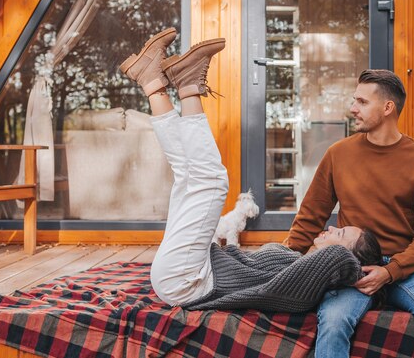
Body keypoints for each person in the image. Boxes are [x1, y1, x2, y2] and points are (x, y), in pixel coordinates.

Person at [119, 28, 383, 312]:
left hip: (187, 281)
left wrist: (373, 271)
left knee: (213, 181)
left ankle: (185, 85)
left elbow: (342, 261)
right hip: (189, 269)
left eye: (341, 235)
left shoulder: (312, 283)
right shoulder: (302, 265)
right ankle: (158, 83)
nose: (332, 227)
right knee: (187, 174)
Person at [285, 69, 414, 358]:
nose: (352, 109)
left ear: (387, 108)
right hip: (350, 267)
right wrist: (284, 259)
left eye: (361, 102)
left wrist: (389, 271)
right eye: (354, 100)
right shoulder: (338, 154)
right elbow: (310, 217)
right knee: (333, 323)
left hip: (404, 268)